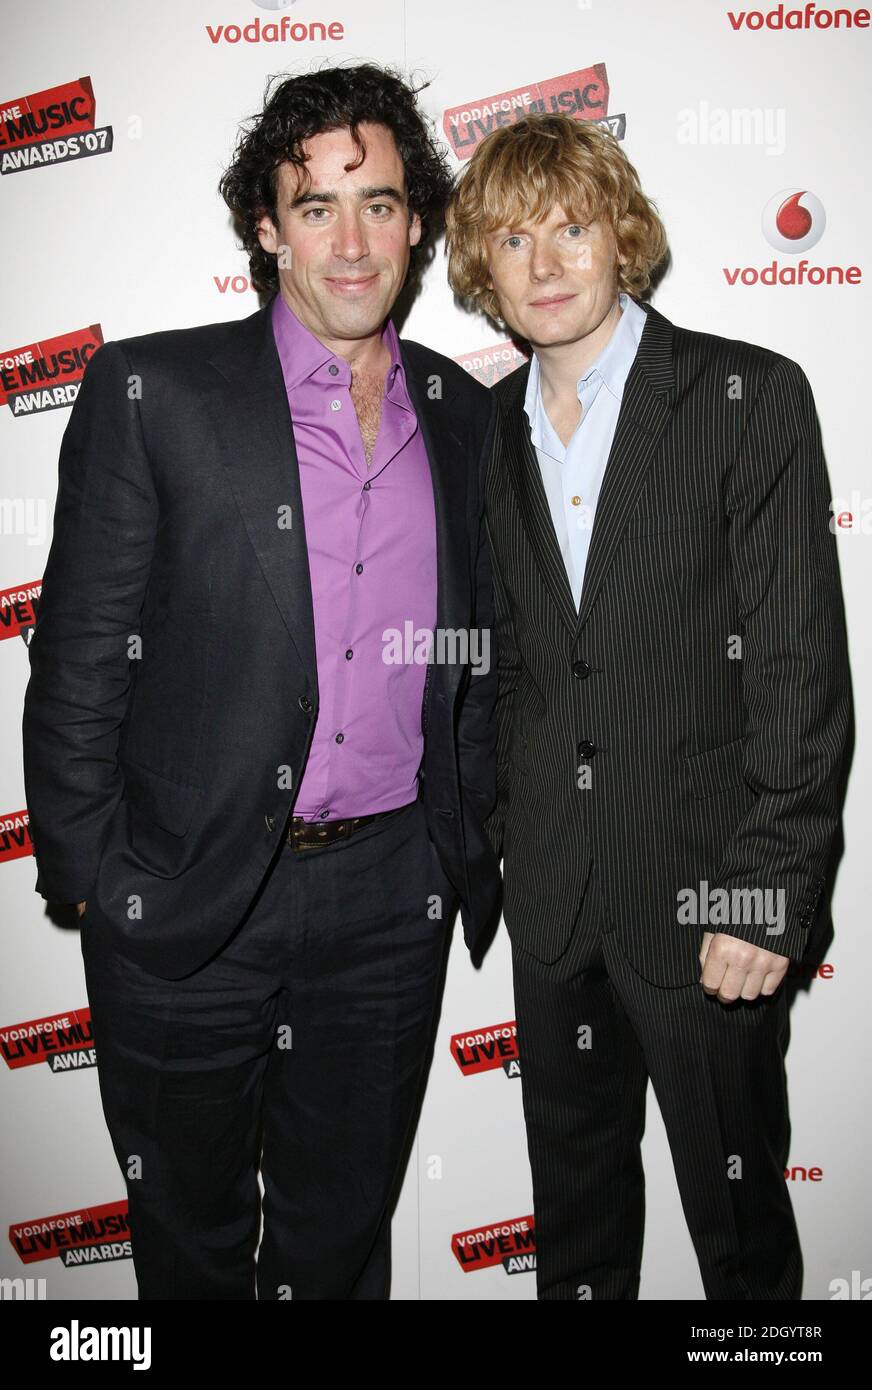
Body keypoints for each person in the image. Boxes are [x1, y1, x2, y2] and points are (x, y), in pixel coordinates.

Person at [22, 63, 500, 1300]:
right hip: (188, 903)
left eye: (382, 204)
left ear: (417, 222)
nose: (353, 240)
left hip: (390, 906)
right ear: (265, 225)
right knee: (187, 1241)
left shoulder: (461, 412)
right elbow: (78, 656)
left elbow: (477, 655)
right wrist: (93, 880)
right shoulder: (157, 391)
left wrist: (465, 849)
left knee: (339, 1240)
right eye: (317, 204)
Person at [445, 112, 851, 1300]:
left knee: (737, 1239)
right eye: (513, 241)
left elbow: (796, 672)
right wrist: (514, 852)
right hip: (558, 909)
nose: (548, 263)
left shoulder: (745, 396)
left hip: (710, 913)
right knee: (573, 1232)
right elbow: (514, 665)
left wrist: (764, 894)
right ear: (482, 272)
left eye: (571, 227)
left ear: (621, 235)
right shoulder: (487, 438)